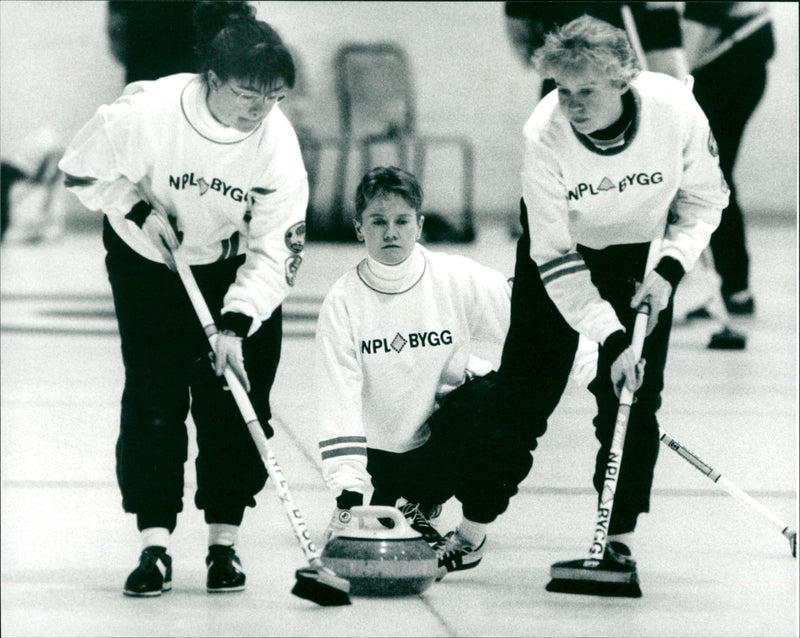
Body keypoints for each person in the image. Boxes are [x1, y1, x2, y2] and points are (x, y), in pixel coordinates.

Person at [58, 2, 308, 597]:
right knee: (155, 394)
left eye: (274, 97)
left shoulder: (275, 142)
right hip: (147, 262)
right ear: (211, 79)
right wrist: (139, 210)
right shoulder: (147, 112)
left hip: (225, 267)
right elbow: (80, 172)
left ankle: (224, 545)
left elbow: (278, 247)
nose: (261, 109)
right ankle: (155, 545)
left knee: (236, 398)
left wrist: (237, 322)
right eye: (249, 93)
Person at [495, 15, 728, 587]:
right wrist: (613, 336)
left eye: (587, 91)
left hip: (640, 259)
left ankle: (617, 542)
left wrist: (670, 270)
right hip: (561, 256)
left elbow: (706, 199)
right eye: (563, 90)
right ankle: (471, 531)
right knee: (522, 395)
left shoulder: (674, 109)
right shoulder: (544, 135)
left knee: (632, 397)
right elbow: (553, 256)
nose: (572, 104)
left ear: (624, 78)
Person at [315, 166, 599, 580]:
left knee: (501, 394)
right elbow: (336, 399)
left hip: (442, 444)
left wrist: (591, 368)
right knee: (387, 502)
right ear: (359, 228)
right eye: (377, 222)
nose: (390, 232)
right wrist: (347, 498)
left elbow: (536, 327)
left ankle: (452, 519)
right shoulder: (343, 302)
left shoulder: (455, 277)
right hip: (385, 459)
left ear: (420, 225)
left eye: (401, 221)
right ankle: (410, 501)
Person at [680, 2, 774, 315]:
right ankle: (728, 287)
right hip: (729, 68)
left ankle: (732, 288)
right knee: (707, 177)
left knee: (711, 177)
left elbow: (693, 40)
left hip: (730, 71)